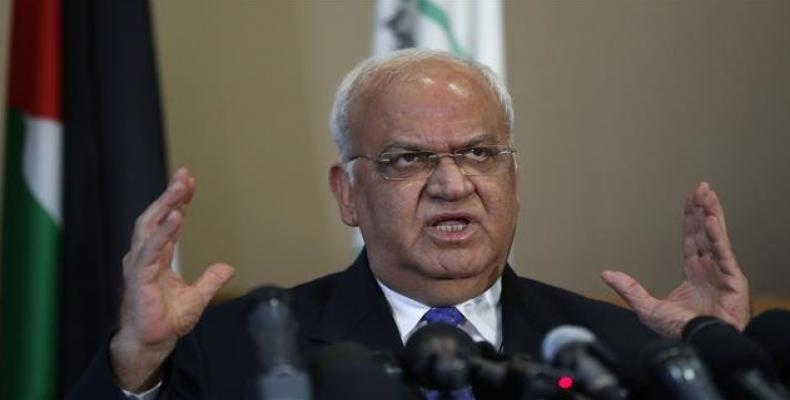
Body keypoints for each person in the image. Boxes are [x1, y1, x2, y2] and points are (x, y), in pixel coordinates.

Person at [68, 49, 751, 399]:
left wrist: (723, 362)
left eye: (480, 153)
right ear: (349, 194)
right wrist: (137, 364)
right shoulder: (231, 353)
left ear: (512, 180)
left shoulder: (616, 352)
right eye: (406, 160)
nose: (453, 184)